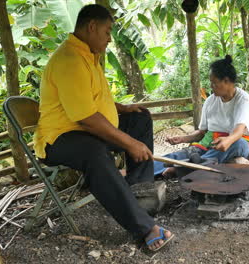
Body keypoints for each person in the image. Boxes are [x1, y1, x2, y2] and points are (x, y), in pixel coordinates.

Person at [33, 4, 173, 251]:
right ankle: (143, 228)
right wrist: (130, 143)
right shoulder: (70, 59)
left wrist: (121, 108)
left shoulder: (88, 54)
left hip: (85, 130)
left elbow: (92, 99)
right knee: (94, 152)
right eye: (107, 32)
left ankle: (139, 195)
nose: (110, 39)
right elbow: (86, 117)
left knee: (139, 119)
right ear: (91, 27)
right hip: (59, 139)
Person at [154, 55, 249, 177]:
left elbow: (238, 132)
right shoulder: (210, 101)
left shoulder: (243, 99)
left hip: (237, 144)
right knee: (178, 156)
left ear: (226, 81)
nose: (211, 86)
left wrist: (227, 140)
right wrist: (183, 139)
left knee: (237, 143)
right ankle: (144, 170)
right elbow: (202, 133)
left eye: (214, 83)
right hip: (209, 145)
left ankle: (185, 169)